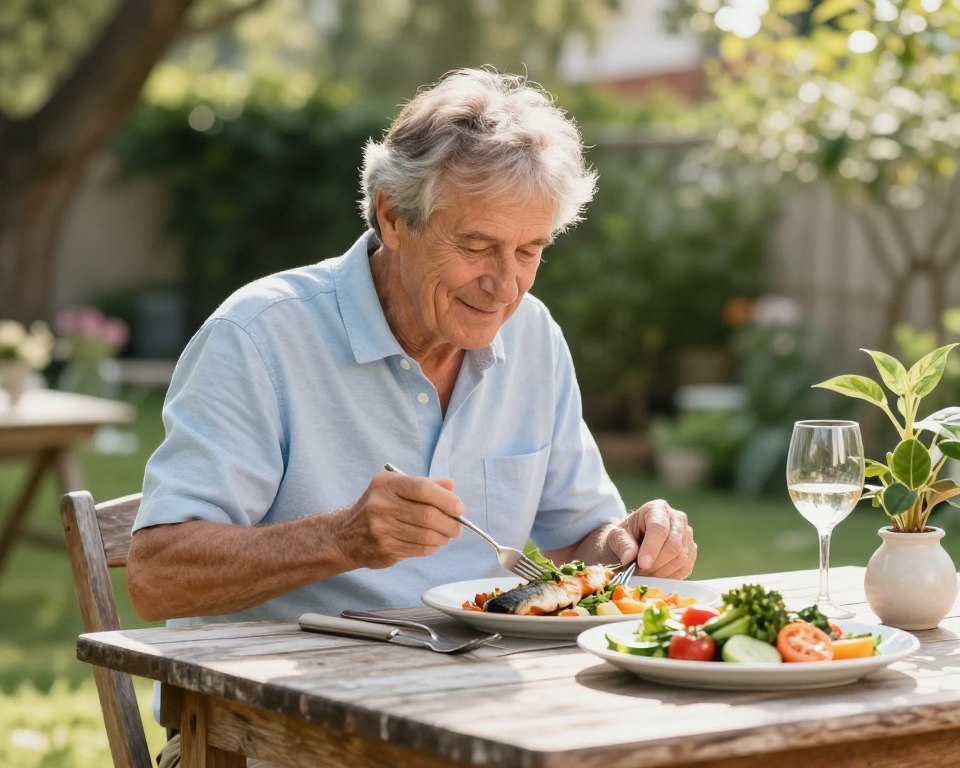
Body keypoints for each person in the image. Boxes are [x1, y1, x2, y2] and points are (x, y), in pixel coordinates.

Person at [128, 67, 697, 767]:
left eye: (530, 252)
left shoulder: (534, 337)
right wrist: (342, 538)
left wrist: (625, 547)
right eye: (478, 246)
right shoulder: (260, 337)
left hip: (486, 726)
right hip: (276, 738)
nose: (506, 285)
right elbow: (157, 576)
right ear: (393, 216)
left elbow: (581, 536)